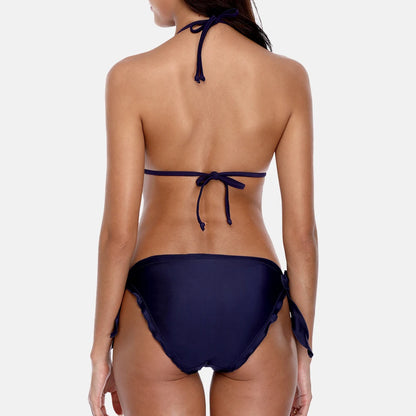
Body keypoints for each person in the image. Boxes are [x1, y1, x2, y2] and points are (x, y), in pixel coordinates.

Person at [88, 1, 318, 415]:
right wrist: (303, 352)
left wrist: (100, 349)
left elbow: (118, 236)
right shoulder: (288, 77)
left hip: (160, 290)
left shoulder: (129, 77)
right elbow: (302, 237)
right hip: (253, 294)